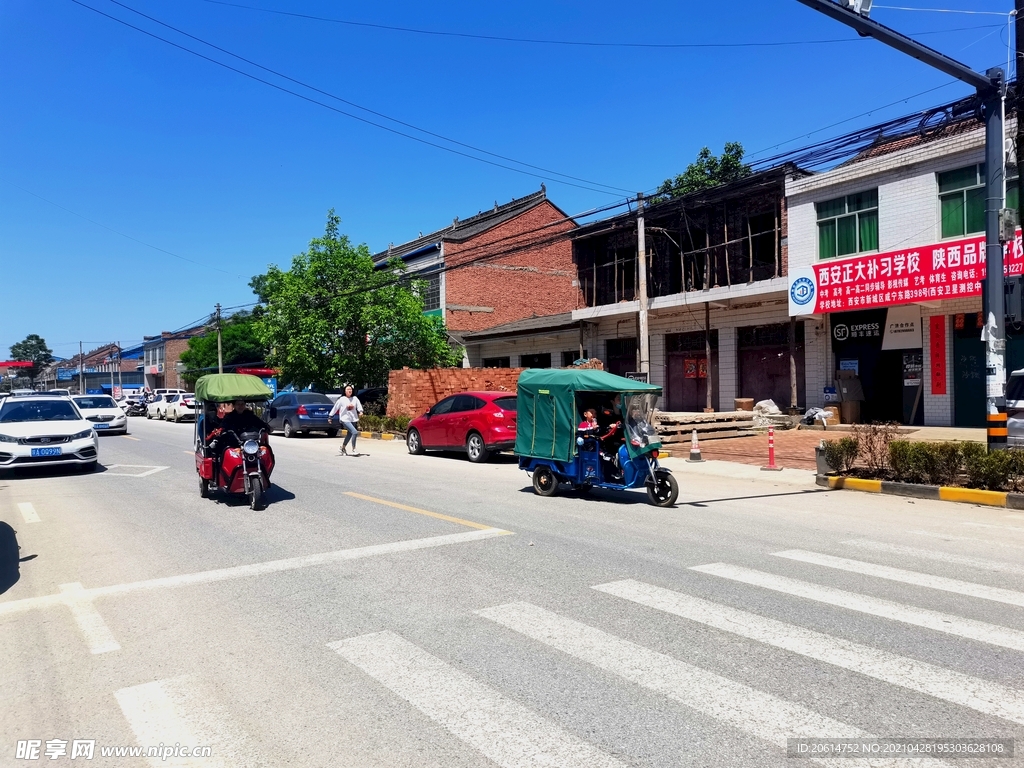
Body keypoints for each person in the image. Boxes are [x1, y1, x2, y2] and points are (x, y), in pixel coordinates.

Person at [329, 385, 363, 456]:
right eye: (348, 389)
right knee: (355, 432)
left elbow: (359, 406)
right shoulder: (341, 399)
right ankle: (354, 449)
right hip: (344, 419)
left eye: (350, 389)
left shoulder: (355, 398)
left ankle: (342, 448)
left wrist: (360, 411)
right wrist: (330, 416)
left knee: (349, 434)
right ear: (345, 391)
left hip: (353, 418)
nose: (349, 391)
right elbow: (335, 408)